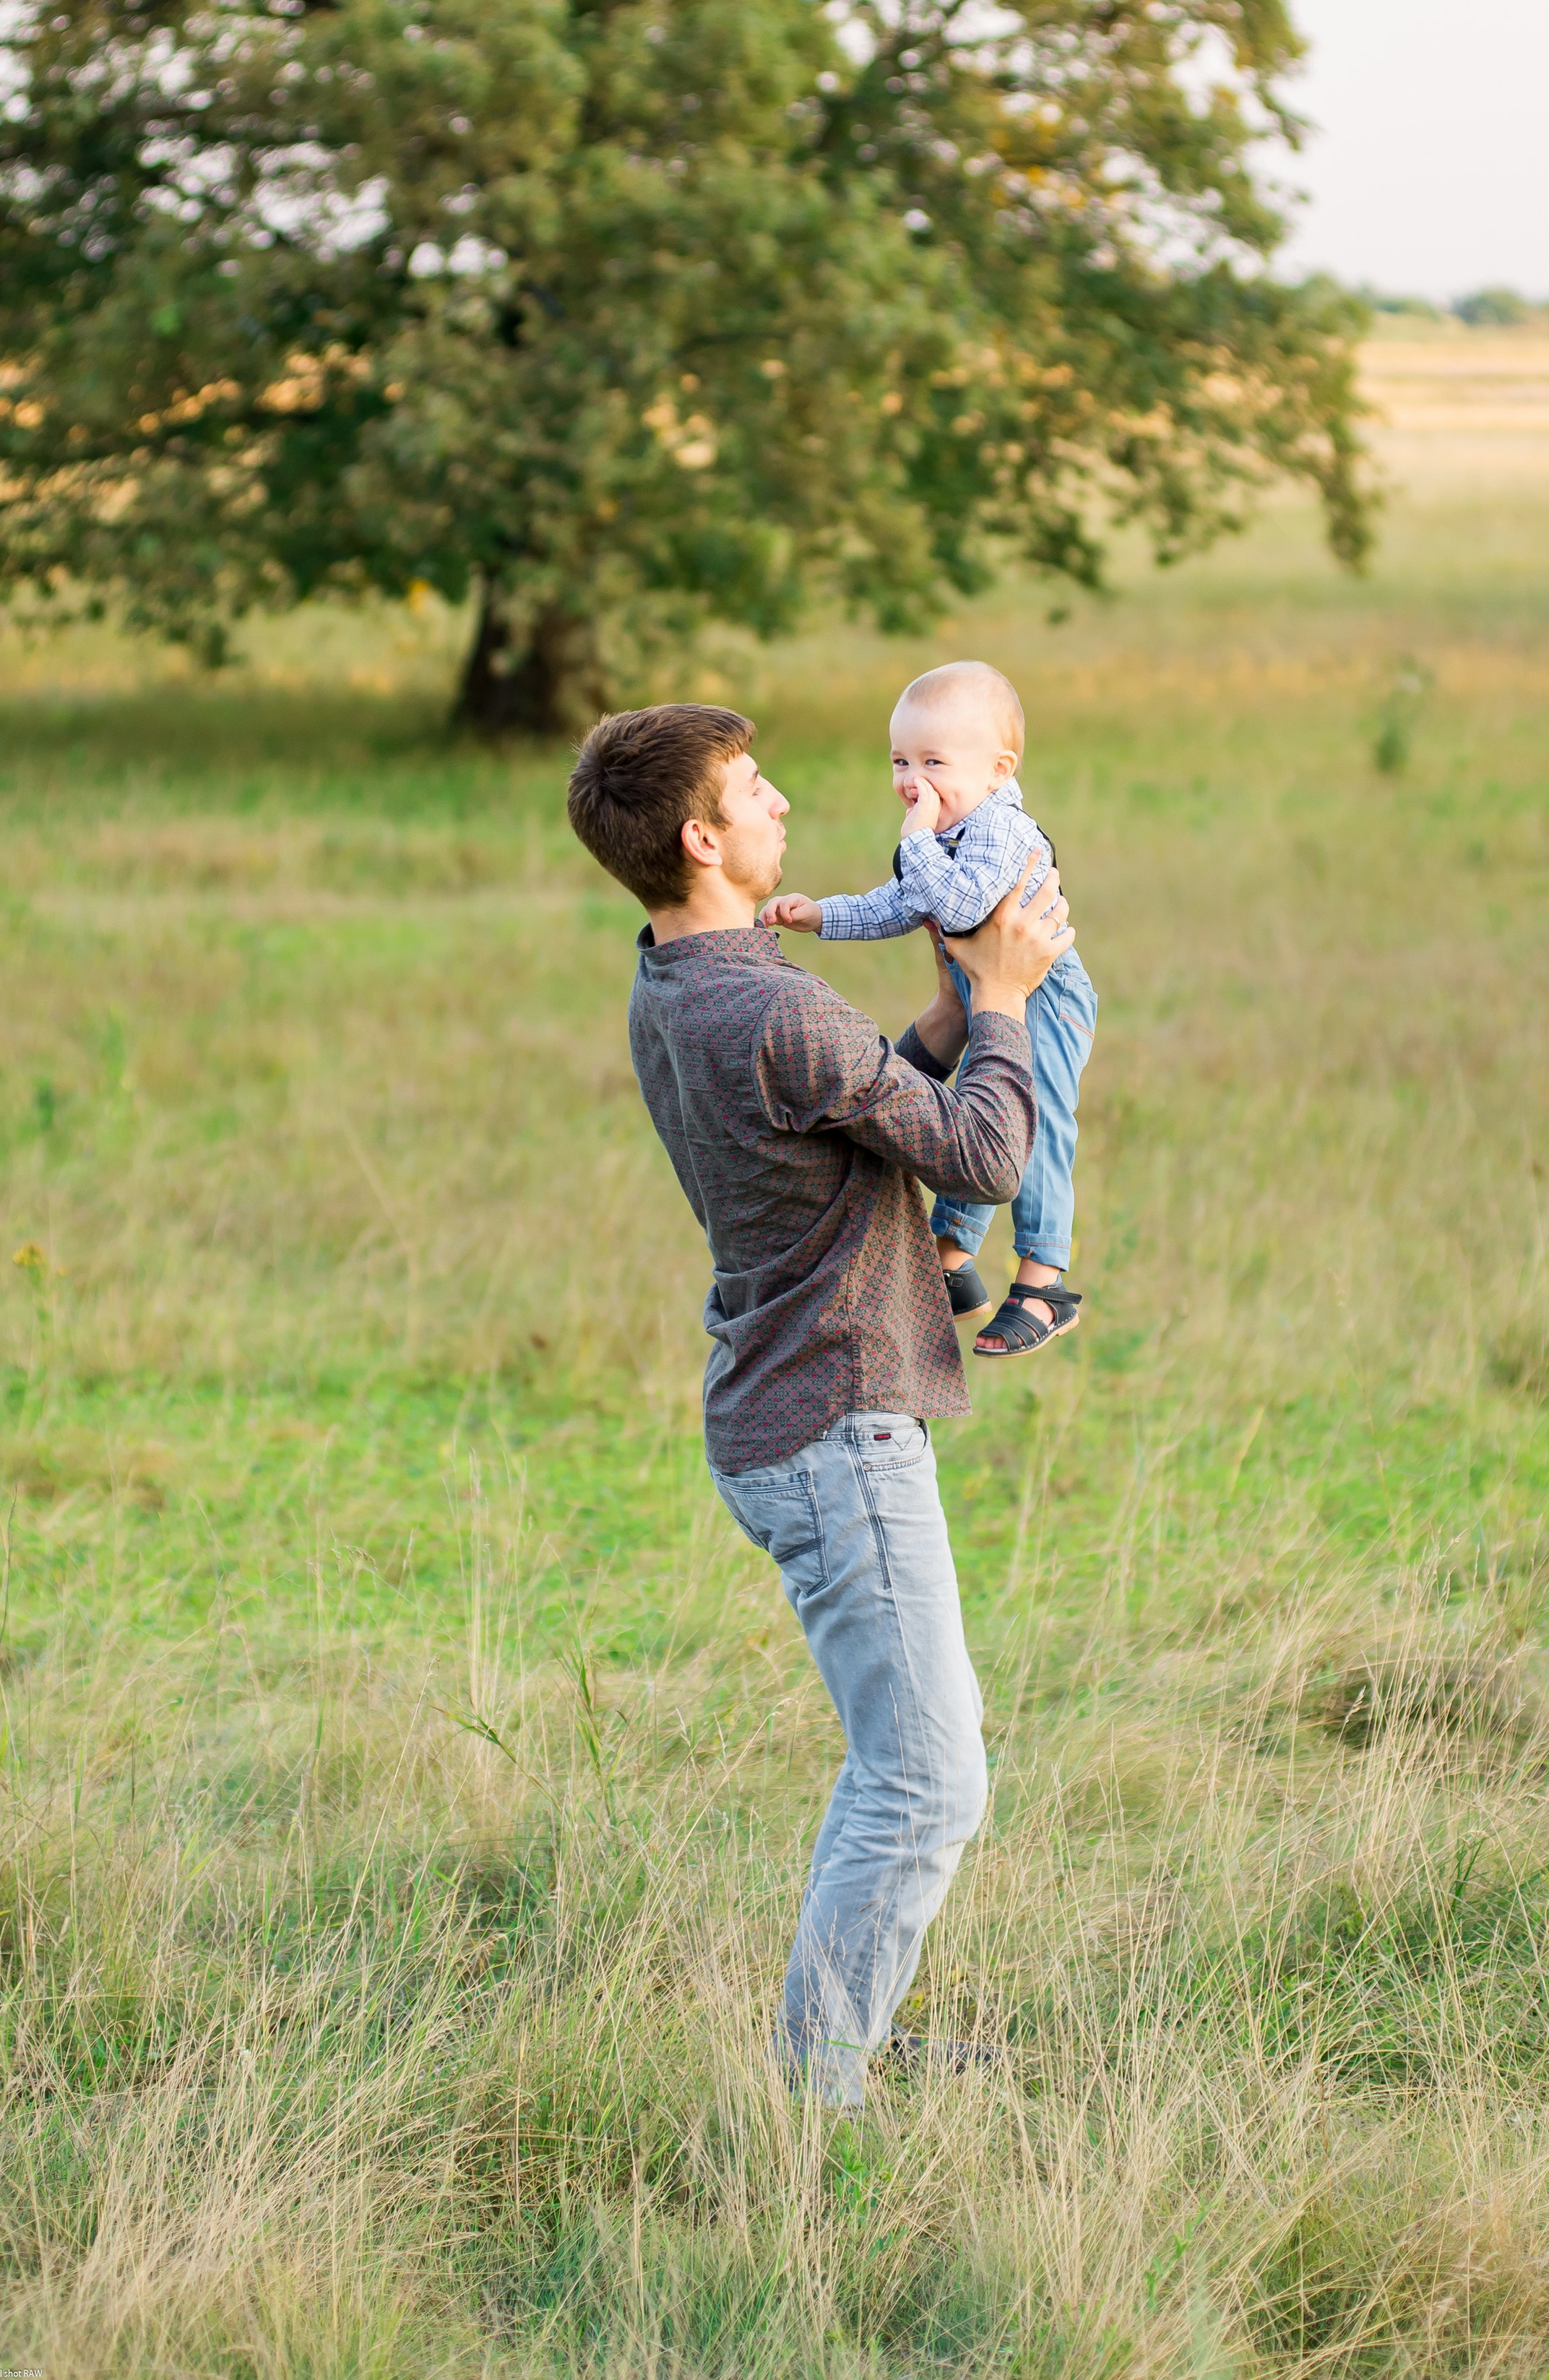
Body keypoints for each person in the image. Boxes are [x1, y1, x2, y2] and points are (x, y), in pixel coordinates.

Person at [565, 701, 1074, 2107]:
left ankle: (845, 2036)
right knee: (926, 1782)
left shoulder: (678, 982)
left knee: (905, 1761)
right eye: (751, 788)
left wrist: (941, 1019)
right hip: (834, 1424)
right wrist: (1006, 1003)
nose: (782, 801)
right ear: (700, 839)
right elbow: (980, 1150)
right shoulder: (771, 1005)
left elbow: (837, 1108)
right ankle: (819, 2101)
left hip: (784, 1409)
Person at [761, 660, 1096, 1356]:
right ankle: (951, 1261)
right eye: (900, 761)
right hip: (992, 993)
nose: (913, 779)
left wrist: (915, 838)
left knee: (1035, 1123)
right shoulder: (945, 835)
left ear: (999, 770)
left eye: (934, 761)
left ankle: (1044, 1282)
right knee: (979, 1115)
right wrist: (821, 915)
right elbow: (898, 905)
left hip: (1047, 995)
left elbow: (962, 906)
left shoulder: (1001, 830)